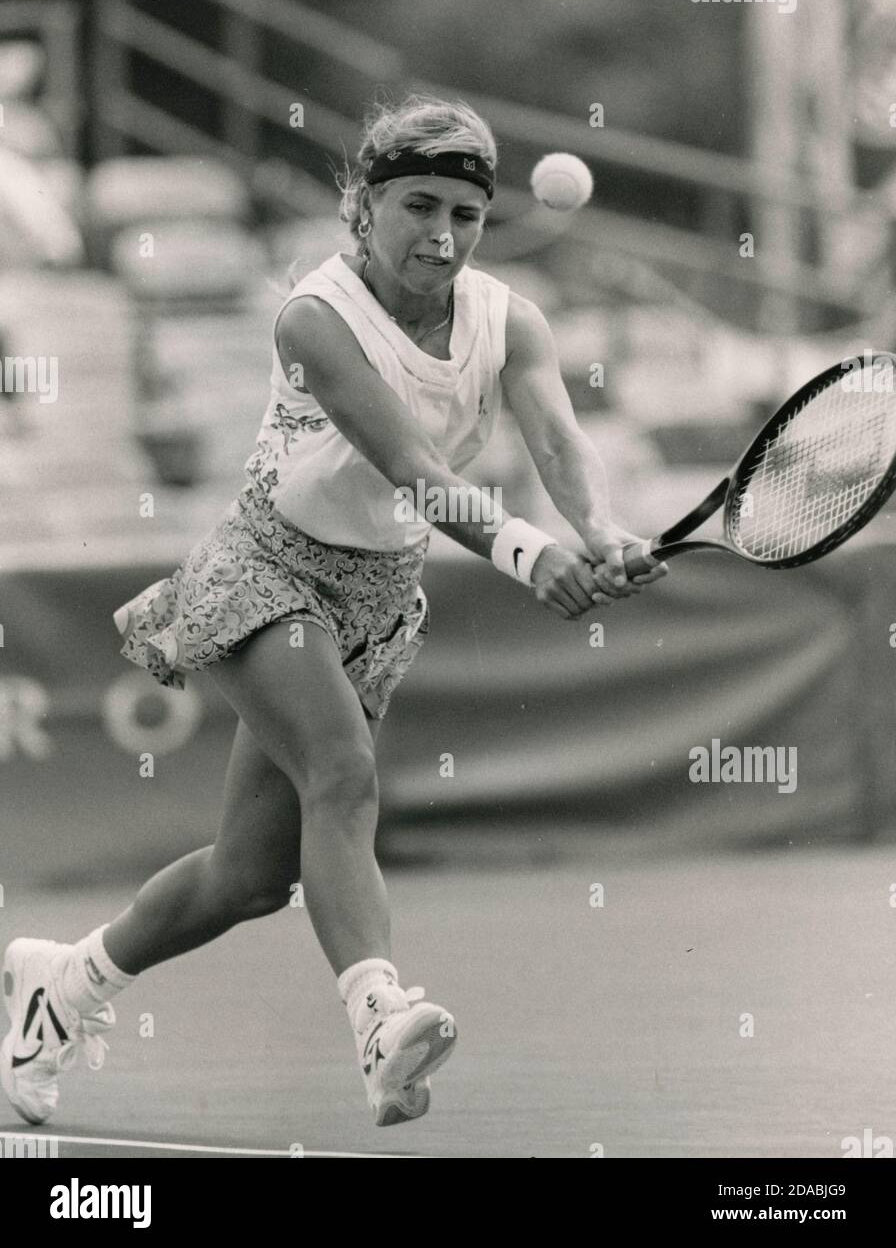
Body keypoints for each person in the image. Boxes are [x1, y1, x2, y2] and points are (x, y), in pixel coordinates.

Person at [0, 94, 667, 1130]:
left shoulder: (508, 320)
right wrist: (527, 552)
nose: (440, 236)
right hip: (267, 566)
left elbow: (557, 445)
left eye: (463, 214)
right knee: (342, 773)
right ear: (361, 205)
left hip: (377, 598)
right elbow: (408, 463)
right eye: (415, 206)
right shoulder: (314, 315)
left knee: (250, 875)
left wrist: (601, 526)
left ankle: (62, 982)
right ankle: (376, 1021)